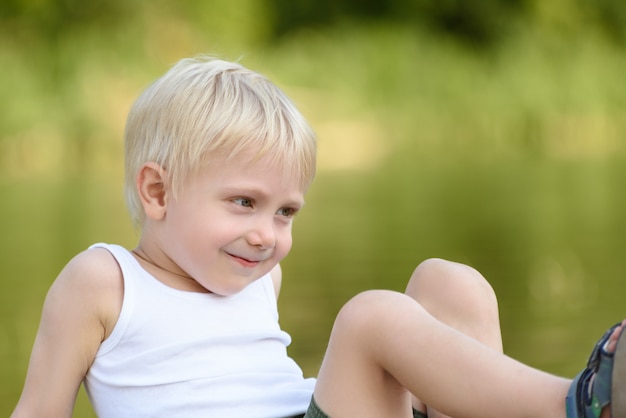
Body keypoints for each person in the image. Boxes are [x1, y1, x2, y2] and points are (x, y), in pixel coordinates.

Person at [11, 56, 626, 418]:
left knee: (451, 283)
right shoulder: (103, 282)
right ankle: (574, 405)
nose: (265, 235)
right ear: (158, 192)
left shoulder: (258, 279)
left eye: (285, 213)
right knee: (371, 320)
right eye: (244, 203)